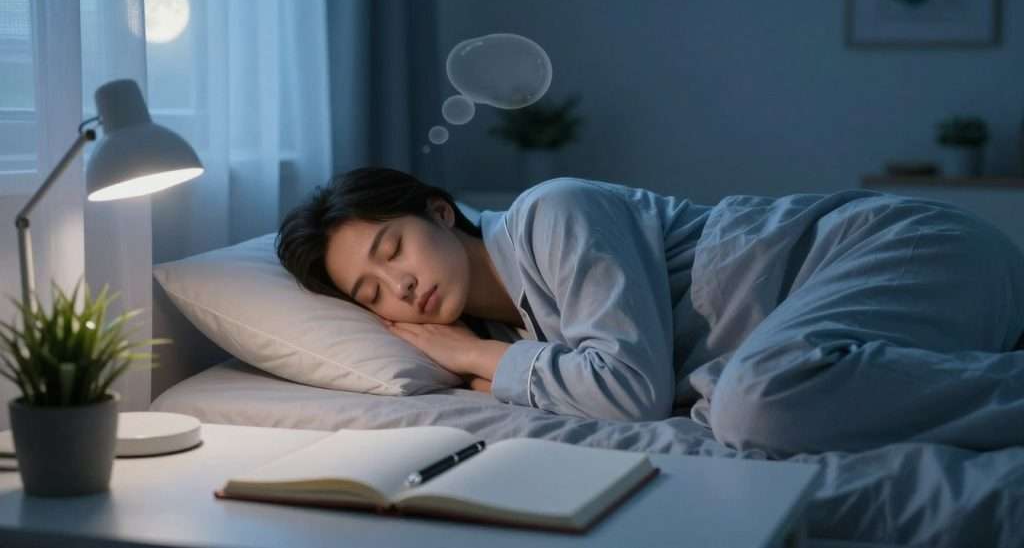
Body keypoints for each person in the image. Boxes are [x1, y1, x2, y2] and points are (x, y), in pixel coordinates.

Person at [276, 167, 1024, 458]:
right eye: (370, 292)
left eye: (392, 248)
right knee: (756, 402)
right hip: (853, 314)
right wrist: (497, 356)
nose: (398, 287)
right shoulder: (516, 330)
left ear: (440, 211)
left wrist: (477, 361)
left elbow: (630, 390)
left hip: (896, 248)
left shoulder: (550, 214)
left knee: (754, 404)